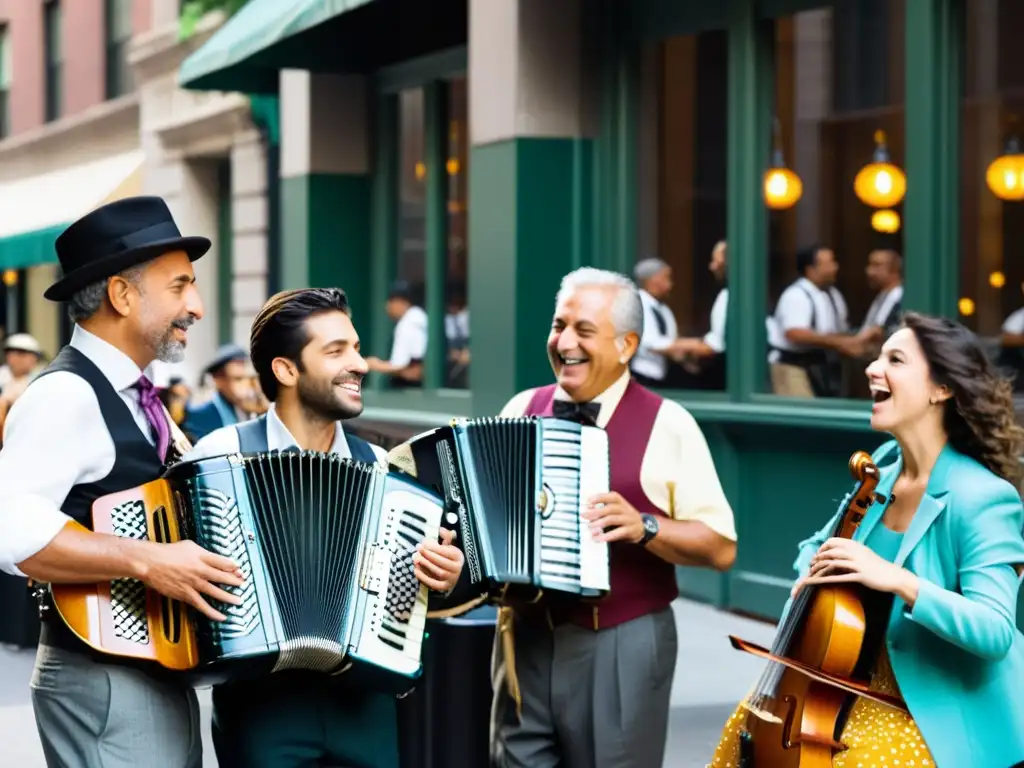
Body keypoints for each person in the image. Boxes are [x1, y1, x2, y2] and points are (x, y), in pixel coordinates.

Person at [710, 312, 1024, 768]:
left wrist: (898, 581)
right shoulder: (883, 466)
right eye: (877, 357)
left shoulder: (983, 497)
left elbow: (994, 630)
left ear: (942, 389)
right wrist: (809, 577)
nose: (872, 369)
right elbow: (815, 546)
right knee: (745, 734)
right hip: (845, 685)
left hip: (932, 708)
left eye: (895, 360)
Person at [0, 196, 245, 768]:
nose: (198, 306)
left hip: (149, 675)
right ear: (122, 294)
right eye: (180, 286)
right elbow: (10, 530)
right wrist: (149, 561)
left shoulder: (134, 395)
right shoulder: (66, 393)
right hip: (104, 677)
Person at [185, 287, 465, 768]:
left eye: (355, 348)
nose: (359, 364)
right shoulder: (217, 457)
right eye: (336, 351)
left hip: (365, 706)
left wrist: (442, 576)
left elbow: (403, 595)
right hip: (262, 709)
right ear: (286, 369)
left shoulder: (380, 467)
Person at [490, 267, 738, 768]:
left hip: (620, 642)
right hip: (522, 639)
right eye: (560, 326)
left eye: (584, 331)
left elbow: (720, 546)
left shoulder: (669, 424)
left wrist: (645, 527)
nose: (565, 343)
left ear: (626, 346)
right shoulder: (521, 408)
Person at [768, 244, 860, 397]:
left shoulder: (833, 294)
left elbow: (841, 329)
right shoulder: (796, 295)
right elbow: (795, 333)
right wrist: (840, 343)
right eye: (829, 263)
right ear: (811, 269)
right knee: (802, 414)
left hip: (823, 367)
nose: (835, 267)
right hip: (794, 367)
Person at [181, 342, 252, 441]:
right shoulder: (199, 417)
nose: (246, 385)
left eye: (248, 378)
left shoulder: (249, 412)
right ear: (218, 380)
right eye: (238, 379)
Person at [365, 279, 428, 388]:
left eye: (391, 301)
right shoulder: (420, 316)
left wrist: (373, 364)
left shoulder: (409, 321)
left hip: (417, 390)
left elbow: (403, 368)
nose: (387, 306)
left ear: (402, 302)